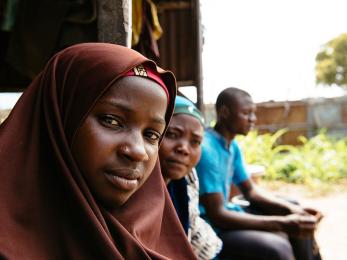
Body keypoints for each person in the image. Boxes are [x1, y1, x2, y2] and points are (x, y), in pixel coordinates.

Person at [0, 43, 197, 259]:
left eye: (151, 134)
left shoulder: (151, 241)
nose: (138, 151)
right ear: (59, 118)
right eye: (111, 120)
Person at [196, 87, 322, 260]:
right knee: (278, 247)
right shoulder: (207, 149)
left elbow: (251, 191)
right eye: (246, 113)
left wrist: (293, 210)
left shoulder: (232, 146)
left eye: (253, 113)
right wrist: (282, 224)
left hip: (227, 215)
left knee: (293, 208)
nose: (253, 119)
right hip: (212, 227)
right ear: (224, 112)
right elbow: (217, 215)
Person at [159, 96, 223, 259]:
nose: (184, 149)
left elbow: (193, 230)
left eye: (195, 142)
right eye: (172, 134)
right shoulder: (134, 188)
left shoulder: (187, 180)